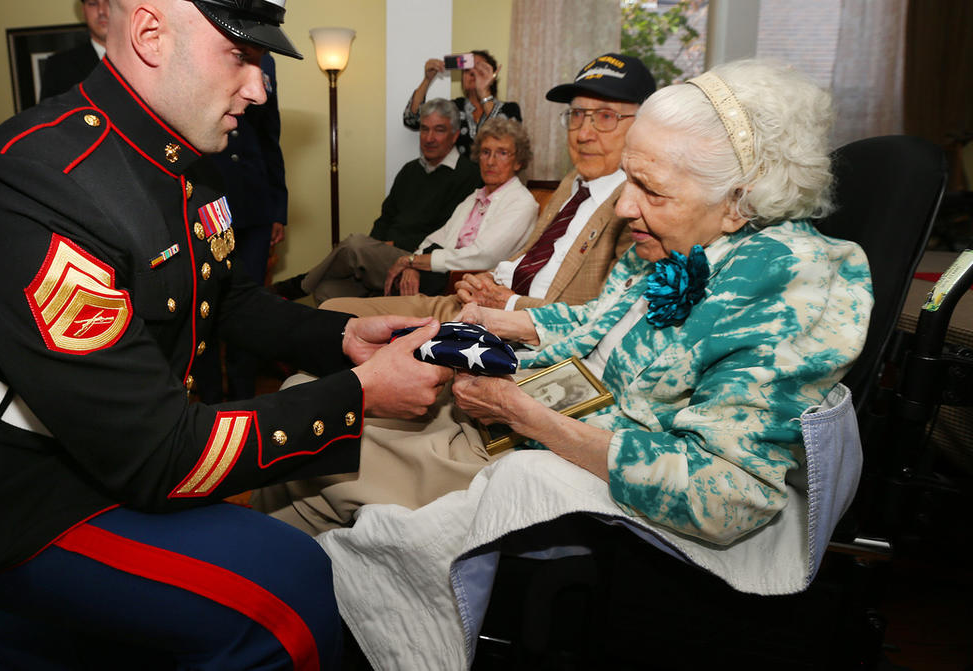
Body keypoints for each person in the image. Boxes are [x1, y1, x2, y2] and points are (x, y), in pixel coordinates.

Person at [0, 0, 452, 671]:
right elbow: (156, 453)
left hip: (127, 444)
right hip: (29, 485)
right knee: (284, 598)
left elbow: (227, 298)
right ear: (150, 35)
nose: (259, 88)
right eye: (240, 54)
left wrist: (339, 337)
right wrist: (360, 394)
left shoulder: (188, 159)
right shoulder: (31, 188)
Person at [252, 59, 874, 559]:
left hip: (567, 458)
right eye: (629, 180)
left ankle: (267, 611)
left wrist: (524, 415)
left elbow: (727, 496)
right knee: (315, 395)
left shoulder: (796, 281)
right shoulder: (679, 234)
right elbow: (600, 322)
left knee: (313, 451)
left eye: (650, 189)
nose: (625, 208)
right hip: (543, 400)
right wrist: (510, 321)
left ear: (741, 200)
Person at [322, 52, 655, 321]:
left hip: (508, 322)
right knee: (331, 312)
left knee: (346, 290)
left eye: (606, 116)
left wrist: (504, 300)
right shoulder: (573, 182)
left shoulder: (636, 209)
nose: (583, 132)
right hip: (473, 296)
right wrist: (488, 278)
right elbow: (522, 257)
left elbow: (601, 318)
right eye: (577, 115)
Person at [272, 98, 481, 303]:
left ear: (454, 136)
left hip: (423, 262)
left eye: (439, 130)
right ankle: (371, 303)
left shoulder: (468, 175)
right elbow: (386, 216)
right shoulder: (410, 170)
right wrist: (376, 246)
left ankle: (298, 285)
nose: (429, 137)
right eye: (424, 129)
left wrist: (394, 248)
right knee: (327, 291)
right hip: (386, 256)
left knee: (354, 245)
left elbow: (447, 233)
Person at [195, 51, 288, 403]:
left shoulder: (265, 60)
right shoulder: (208, 44)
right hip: (206, 197)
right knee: (204, 306)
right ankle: (210, 400)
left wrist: (277, 207)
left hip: (254, 204)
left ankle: (245, 397)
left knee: (248, 306)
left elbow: (269, 136)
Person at [382, 116, 539, 297]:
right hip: (437, 272)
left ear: (519, 161)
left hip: (463, 285)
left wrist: (412, 262)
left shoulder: (522, 203)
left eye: (502, 153)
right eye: (485, 152)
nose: (490, 161)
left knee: (361, 257)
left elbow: (482, 256)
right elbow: (436, 238)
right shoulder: (475, 197)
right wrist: (413, 265)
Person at [404, 50, 521, 155]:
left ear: (492, 76)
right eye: (467, 69)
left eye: (479, 69)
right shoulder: (453, 108)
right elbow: (412, 120)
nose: (472, 73)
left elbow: (509, 141)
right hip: (457, 178)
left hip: (496, 177)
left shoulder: (510, 109)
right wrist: (427, 79)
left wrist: (484, 93)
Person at [38, 0, 113, 100]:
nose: (101, 11)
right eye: (92, 3)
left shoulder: (144, 59)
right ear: (83, 11)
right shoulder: (59, 67)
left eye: (108, 2)